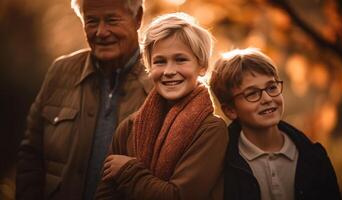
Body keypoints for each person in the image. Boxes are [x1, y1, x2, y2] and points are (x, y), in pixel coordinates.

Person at [16, 0, 153, 199]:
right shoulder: (60, 72)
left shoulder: (161, 84)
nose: (101, 32)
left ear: (138, 18)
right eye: (91, 21)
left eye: (111, 20)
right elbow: (31, 155)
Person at [94, 12, 229, 200]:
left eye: (181, 59)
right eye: (160, 61)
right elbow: (105, 194)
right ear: (149, 67)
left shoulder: (211, 130)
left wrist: (127, 170)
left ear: (202, 66)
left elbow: (179, 196)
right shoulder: (130, 126)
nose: (169, 71)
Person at [209, 48, 341, 200]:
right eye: (252, 93)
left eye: (272, 87)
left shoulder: (314, 157)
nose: (267, 98)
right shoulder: (221, 167)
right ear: (230, 110)